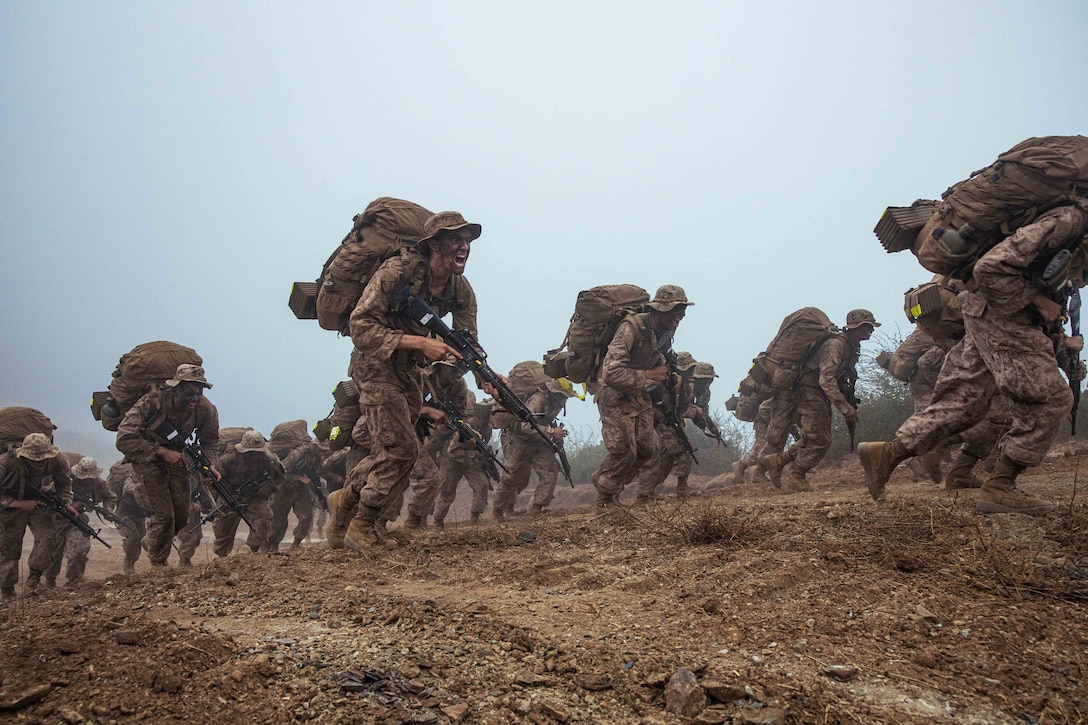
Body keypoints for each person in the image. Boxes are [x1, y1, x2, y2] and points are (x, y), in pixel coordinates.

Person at [859, 205, 1088, 515]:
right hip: (1003, 316)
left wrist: (1061, 345)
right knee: (1052, 399)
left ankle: (887, 454)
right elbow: (990, 270)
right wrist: (1040, 303)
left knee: (963, 403)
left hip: (985, 316)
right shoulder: (1069, 222)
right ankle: (1000, 485)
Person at [339, 211, 483, 547]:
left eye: (467, 241)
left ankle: (344, 504)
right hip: (375, 364)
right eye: (454, 240)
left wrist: (484, 376)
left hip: (410, 371)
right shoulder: (398, 272)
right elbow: (360, 327)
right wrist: (418, 342)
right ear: (433, 245)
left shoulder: (461, 290)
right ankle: (362, 525)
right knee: (403, 449)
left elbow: (467, 344)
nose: (463, 247)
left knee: (393, 451)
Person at [591, 285, 693, 506]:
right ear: (662, 309)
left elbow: (660, 358)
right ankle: (605, 500)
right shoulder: (631, 328)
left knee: (646, 451)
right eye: (677, 311)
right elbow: (610, 373)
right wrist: (649, 374)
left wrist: (670, 375)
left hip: (639, 391)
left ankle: (604, 478)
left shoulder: (665, 332)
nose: (680, 317)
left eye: (683, 312)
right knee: (624, 450)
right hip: (613, 393)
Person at [760, 309, 879, 492]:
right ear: (855, 328)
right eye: (867, 328)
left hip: (817, 392)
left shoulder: (851, 346)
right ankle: (796, 476)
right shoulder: (835, 345)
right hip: (809, 391)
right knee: (821, 440)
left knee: (815, 437)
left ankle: (778, 461)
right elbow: (826, 378)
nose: (870, 331)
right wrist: (844, 407)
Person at [116, 364, 220, 568]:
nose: (194, 398)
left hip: (180, 460)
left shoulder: (205, 409)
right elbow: (124, 438)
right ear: (176, 388)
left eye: (198, 393)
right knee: (164, 515)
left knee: (181, 516)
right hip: (148, 460)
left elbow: (211, 441)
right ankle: (158, 563)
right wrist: (161, 452)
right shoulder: (151, 402)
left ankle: (151, 542)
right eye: (188, 393)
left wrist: (209, 466)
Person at [492, 365, 573, 520]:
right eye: (563, 396)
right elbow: (526, 425)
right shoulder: (538, 400)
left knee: (550, 471)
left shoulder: (555, 402)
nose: (564, 400)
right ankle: (497, 510)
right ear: (554, 392)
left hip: (539, 442)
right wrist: (551, 432)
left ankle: (536, 509)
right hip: (519, 440)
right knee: (510, 476)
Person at [0, 433, 74, 597]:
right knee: (9, 549)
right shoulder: (7, 462)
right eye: (35, 459)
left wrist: (66, 503)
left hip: (38, 501)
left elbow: (65, 484)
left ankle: (33, 581)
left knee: (47, 538)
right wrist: (18, 504)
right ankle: (7, 591)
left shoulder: (58, 460)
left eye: (43, 459)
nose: (40, 463)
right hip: (9, 504)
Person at [634, 351, 698, 502]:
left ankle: (647, 491)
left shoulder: (687, 386)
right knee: (683, 448)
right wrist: (654, 412)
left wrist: (676, 422)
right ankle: (682, 489)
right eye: (687, 369)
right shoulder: (661, 380)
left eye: (691, 369)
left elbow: (683, 407)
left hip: (671, 420)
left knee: (665, 457)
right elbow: (640, 394)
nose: (690, 372)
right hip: (654, 419)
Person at [45, 456, 116, 587]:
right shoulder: (65, 478)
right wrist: (70, 504)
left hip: (77, 520)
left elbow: (109, 497)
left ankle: (75, 580)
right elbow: (48, 495)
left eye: (89, 478)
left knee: (80, 549)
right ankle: (49, 581)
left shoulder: (99, 483)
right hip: (57, 519)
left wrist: (108, 511)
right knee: (53, 553)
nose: (86, 481)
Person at [211, 430, 284, 557]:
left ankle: (255, 551)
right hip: (231, 495)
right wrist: (221, 497)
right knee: (223, 524)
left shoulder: (269, 459)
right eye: (250, 452)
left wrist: (266, 489)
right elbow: (214, 479)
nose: (253, 455)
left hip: (256, 496)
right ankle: (222, 555)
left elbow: (280, 477)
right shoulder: (229, 458)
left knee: (262, 520)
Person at [107, 461, 146, 574]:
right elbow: (128, 488)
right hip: (125, 514)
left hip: (140, 515)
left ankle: (132, 562)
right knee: (132, 538)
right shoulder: (131, 479)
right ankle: (128, 564)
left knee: (141, 539)